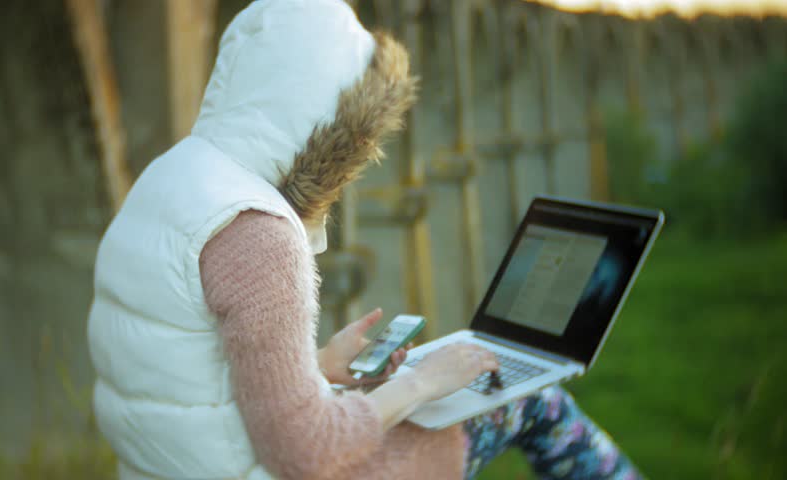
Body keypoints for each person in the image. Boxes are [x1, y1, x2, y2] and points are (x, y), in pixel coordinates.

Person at [87, 1, 643, 479]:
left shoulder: (169, 178)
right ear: (325, 119)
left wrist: (320, 367)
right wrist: (422, 385)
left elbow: (190, 369)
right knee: (531, 399)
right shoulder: (258, 232)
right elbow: (305, 453)